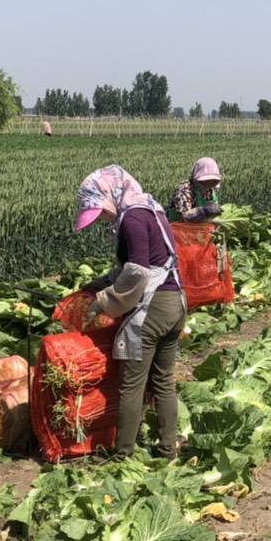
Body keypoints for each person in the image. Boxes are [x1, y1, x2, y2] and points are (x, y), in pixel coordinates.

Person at [74, 165, 186, 459]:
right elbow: (151, 262)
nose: (103, 218)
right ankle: (167, 448)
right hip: (175, 302)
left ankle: (122, 453)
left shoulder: (132, 219)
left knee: (132, 384)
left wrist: (105, 300)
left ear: (111, 193)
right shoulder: (151, 209)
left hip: (153, 308)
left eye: (101, 210)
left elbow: (137, 272)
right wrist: (103, 281)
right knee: (163, 379)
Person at [168, 157, 223, 222]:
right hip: (177, 226)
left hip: (199, 225)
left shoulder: (209, 190)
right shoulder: (185, 189)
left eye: (213, 181)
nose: (210, 183)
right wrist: (205, 211)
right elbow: (185, 216)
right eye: (206, 180)